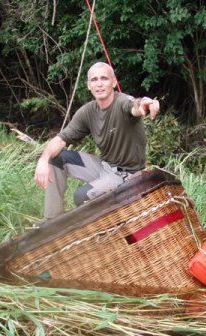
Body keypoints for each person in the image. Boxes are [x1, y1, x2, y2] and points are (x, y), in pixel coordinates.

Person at [32, 61, 160, 223]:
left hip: (128, 175)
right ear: (88, 85)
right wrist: (43, 160)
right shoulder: (87, 111)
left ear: (113, 82)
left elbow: (134, 105)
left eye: (104, 79)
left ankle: (102, 231)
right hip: (104, 166)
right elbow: (60, 139)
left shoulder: (121, 102)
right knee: (56, 159)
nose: (99, 84)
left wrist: (144, 105)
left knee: (82, 196)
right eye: (94, 80)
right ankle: (51, 221)